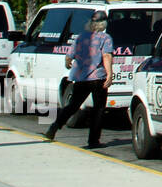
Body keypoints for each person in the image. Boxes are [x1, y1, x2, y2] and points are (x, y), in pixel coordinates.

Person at [44, 10, 113, 148]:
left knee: (73, 105)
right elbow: (106, 56)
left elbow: (69, 56)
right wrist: (109, 74)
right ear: (103, 23)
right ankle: (93, 141)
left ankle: (55, 126)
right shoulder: (106, 38)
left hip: (81, 77)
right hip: (98, 78)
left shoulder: (81, 37)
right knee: (98, 109)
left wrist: (68, 62)